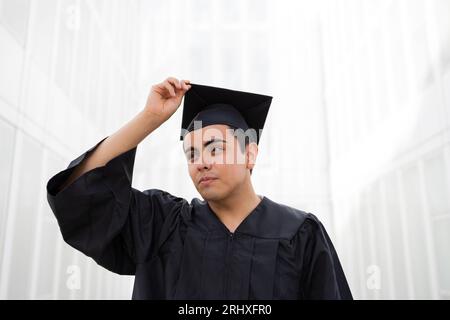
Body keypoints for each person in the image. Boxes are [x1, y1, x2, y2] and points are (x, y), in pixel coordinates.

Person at [46, 77, 352, 300]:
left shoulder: (300, 233)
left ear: (250, 154)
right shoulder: (162, 225)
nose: (200, 162)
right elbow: (77, 195)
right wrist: (149, 119)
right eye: (190, 153)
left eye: (214, 148)